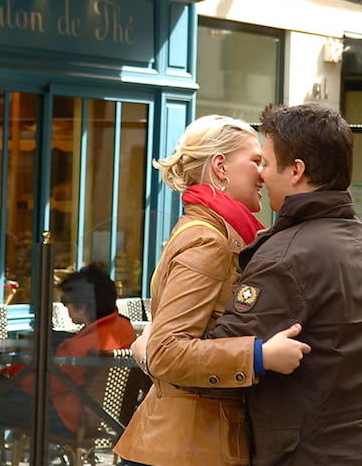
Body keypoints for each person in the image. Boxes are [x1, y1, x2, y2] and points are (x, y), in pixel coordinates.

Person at [208, 103, 362, 465]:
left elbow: (217, 354)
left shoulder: (288, 254)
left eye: (265, 163)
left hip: (311, 452)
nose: (261, 176)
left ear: (297, 171)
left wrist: (153, 344)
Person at [114, 115, 310, 466]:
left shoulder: (216, 231)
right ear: (220, 167)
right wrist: (259, 356)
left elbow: (157, 347)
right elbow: (167, 351)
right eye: (255, 161)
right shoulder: (208, 240)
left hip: (190, 442)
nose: (264, 173)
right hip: (187, 447)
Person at [0, 263, 136, 445]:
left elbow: (38, 385)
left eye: (66, 303)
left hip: (65, 418)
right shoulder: (123, 328)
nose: (66, 309)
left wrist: (7, 374)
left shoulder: (79, 349)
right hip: (96, 417)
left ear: (81, 306)